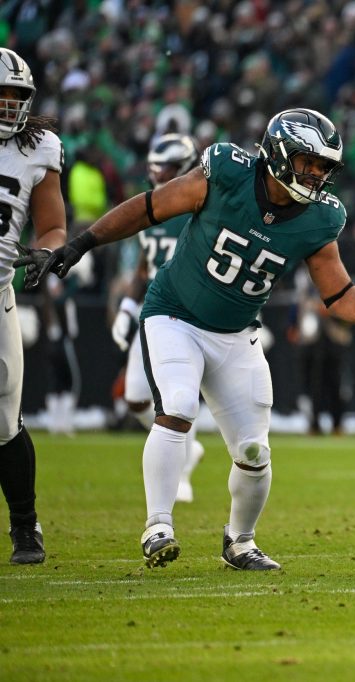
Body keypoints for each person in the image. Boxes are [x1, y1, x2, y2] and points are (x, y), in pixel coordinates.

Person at [18, 108, 355, 570]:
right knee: (176, 407)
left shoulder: (321, 218)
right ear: (276, 153)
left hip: (237, 333)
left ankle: (240, 542)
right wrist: (81, 243)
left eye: (323, 167)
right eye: (307, 161)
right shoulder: (228, 173)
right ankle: (158, 524)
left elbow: (337, 293)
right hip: (175, 315)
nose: (316, 174)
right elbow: (149, 207)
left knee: (254, 450)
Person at [110, 133, 206, 502]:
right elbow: (144, 268)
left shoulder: (199, 208)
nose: (158, 173)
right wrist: (126, 307)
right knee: (135, 399)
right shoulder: (150, 208)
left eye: (166, 167)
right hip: (153, 309)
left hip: (189, 313)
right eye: (155, 166)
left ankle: (181, 466)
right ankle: (185, 445)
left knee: (178, 396)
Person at [0, 47, 66, 564]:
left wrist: (46, 250)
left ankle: (25, 526)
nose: (7, 105)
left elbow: (52, 225)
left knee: (4, 417)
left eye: (15, 96)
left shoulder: (38, 147)